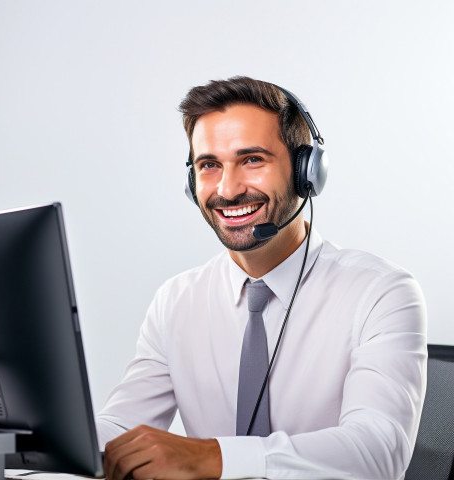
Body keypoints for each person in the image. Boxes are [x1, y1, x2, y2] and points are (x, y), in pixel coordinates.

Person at [97, 76, 427, 480]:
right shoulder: (176, 301)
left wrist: (212, 458)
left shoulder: (381, 293)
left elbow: (377, 452)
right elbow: (120, 428)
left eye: (252, 159)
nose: (228, 189)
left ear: (307, 172)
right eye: (209, 165)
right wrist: (26, 437)